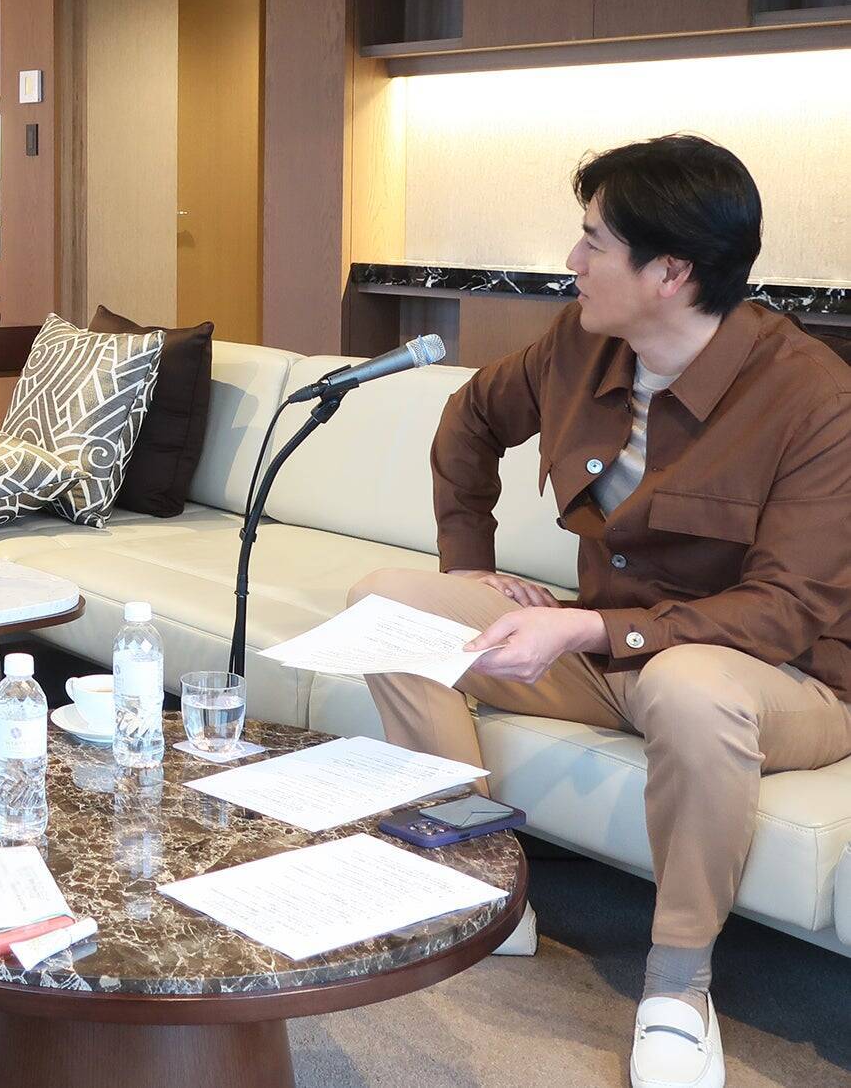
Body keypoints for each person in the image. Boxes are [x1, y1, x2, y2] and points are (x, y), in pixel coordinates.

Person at [350, 134, 851, 1088]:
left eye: (593, 241)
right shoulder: (579, 343)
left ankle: (679, 987)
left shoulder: (815, 398)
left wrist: (586, 627)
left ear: (671, 272)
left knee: (689, 686)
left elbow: (783, 613)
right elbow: (469, 421)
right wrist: (474, 568)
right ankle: (482, 886)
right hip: (617, 653)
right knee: (388, 605)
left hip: (780, 681)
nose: (571, 260)